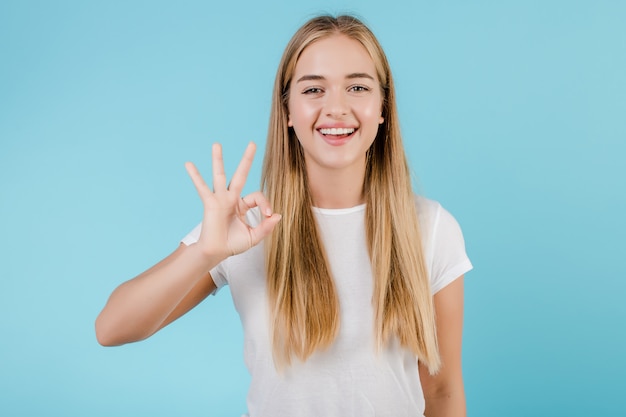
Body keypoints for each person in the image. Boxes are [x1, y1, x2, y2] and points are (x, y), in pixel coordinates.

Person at [95, 14, 472, 417]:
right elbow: (112, 328)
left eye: (358, 87)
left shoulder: (431, 229)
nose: (337, 107)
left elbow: (442, 392)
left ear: (383, 108)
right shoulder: (248, 227)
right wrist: (205, 252)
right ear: (288, 110)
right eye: (314, 89)